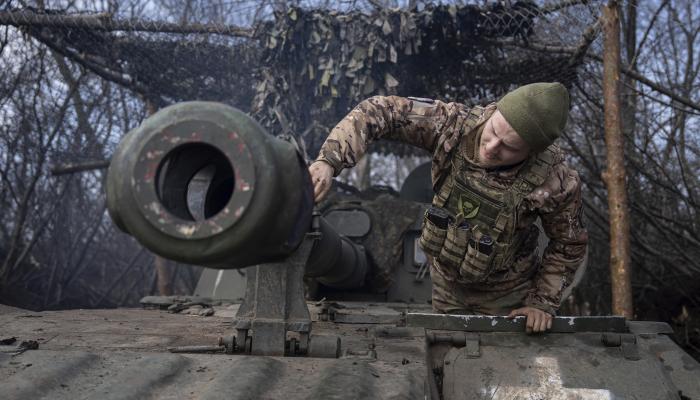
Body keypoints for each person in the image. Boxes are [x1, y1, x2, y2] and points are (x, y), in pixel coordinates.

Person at [308, 82, 588, 333]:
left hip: (507, 299)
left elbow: (570, 243)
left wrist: (541, 303)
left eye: (509, 147)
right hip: (444, 285)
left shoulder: (555, 180)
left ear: (533, 151)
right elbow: (380, 111)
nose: (491, 147)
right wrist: (329, 161)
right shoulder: (452, 125)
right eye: (492, 130)